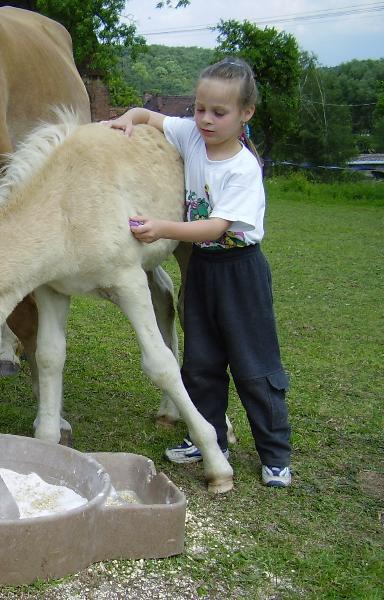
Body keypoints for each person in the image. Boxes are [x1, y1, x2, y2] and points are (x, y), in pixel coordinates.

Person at [102, 57, 292, 487]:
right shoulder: (191, 134)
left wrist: (162, 228)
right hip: (203, 267)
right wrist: (129, 117)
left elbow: (216, 226)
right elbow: (151, 116)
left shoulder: (243, 167)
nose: (205, 119)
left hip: (240, 271)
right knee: (201, 360)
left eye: (219, 112)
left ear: (245, 114)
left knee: (254, 365)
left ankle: (275, 454)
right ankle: (208, 438)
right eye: (200, 108)